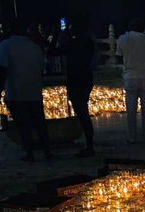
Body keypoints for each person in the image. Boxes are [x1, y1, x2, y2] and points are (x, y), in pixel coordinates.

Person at [0, 19, 51, 162]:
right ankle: (47, 151)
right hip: (34, 91)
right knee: (39, 124)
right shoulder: (34, 47)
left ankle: (30, 152)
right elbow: (41, 68)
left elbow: (2, 70)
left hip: (16, 92)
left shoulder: (5, 46)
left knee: (23, 125)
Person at [55, 17, 96, 157]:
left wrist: (57, 36)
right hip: (86, 78)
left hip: (76, 80)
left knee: (82, 113)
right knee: (83, 112)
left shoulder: (73, 43)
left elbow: (54, 52)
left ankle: (89, 146)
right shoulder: (88, 42)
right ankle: (89, 144)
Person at [116, 19, 145, 144]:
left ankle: (132, 137)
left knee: (131, 110)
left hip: (129, 76)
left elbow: (118, 58)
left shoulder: (122, 39)